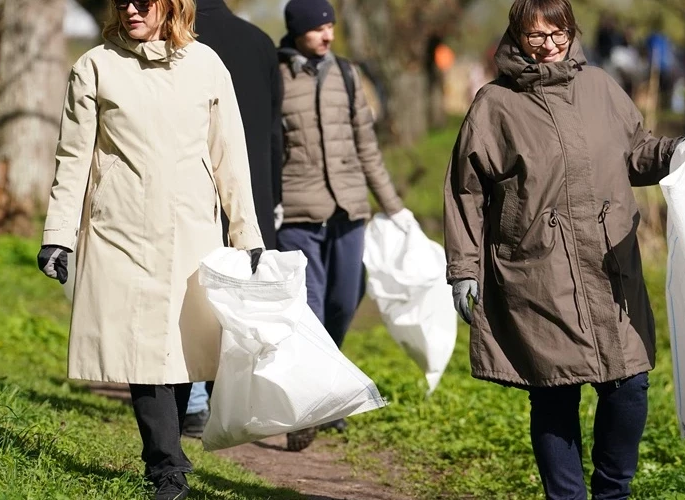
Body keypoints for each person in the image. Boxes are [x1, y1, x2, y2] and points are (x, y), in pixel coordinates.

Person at [442, 1, 685, 499]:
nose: (549, 44)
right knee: (554, 393)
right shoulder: (494, 105)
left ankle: (611, 491)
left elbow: (635, 151)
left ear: (571, 31)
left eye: (557, 32)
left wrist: (678, 152)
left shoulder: (600, 87)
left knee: (629, 386)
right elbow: (466, 190)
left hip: (608, 264)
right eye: (535, 35)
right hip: (537, 269)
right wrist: (462, 269)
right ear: (516, 36)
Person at [36, 1, 264, 498]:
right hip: (121, 230)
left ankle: (168, 458)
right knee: (142, 348)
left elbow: (231, 156)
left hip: (191, 229)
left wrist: (245, 235)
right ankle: (167, 468)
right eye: (124, 1)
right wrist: (57, 234)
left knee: (180, 349)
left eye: (145, 0)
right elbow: (72, 158)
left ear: (173, 5)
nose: (132, 8)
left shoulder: (207, 66)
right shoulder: (93, 66)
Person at [275, 0, 414, 452]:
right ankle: (308, 405)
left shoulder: (348, 75)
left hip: (350, 208)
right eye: (319, 29)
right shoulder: (274, 76)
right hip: (297, 211)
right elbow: (265, 145)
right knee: (309, 308)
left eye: (331, 27)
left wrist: (393, 206)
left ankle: (326, 388)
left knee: (342, 301)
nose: (328, 35)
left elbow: (366, 147)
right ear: (297, 31)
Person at [181, 0, 285, 438]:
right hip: (253, 187)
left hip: (193, 185)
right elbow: (275, 126)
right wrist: (273, 193)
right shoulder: (260, 43)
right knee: (242, 294)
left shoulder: (178, 40)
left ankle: (197, 398)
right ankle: (242, 393)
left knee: (191, 287)